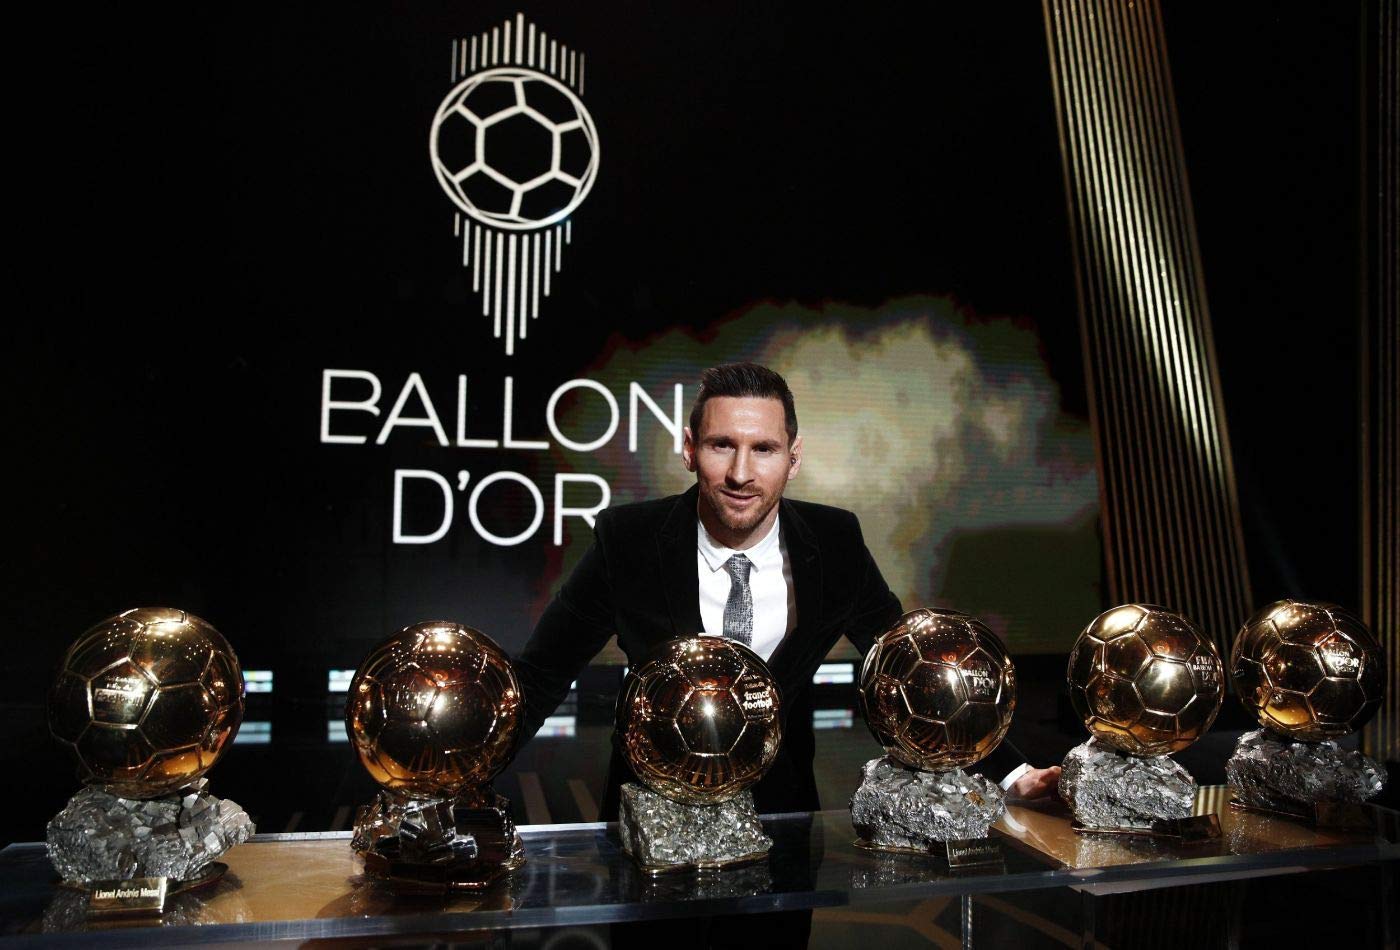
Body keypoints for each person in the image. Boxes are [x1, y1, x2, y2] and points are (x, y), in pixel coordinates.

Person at [513, 362, 1060, 815]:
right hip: (650, 819)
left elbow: (910, 674)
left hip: (784, 825)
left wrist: (1013, 774)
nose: (741, 473)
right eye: (721, 445)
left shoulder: (834, 541)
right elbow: (540, 677)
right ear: (689, 449)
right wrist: (466, 776)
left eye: (764, 449)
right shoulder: (627, 540)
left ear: (793, 458)